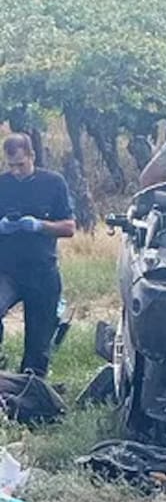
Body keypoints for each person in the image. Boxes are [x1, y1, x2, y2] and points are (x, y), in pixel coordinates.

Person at [0, 133, 75, 376]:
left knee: (38, 344)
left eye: (20, 165)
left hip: (42, 270)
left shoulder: (53, 183)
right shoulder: (2, 184)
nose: (16, 171)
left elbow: (69, 227)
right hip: (6, 270)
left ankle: (30, 389)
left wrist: (41, 226)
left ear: (32, 156)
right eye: (11, 166)